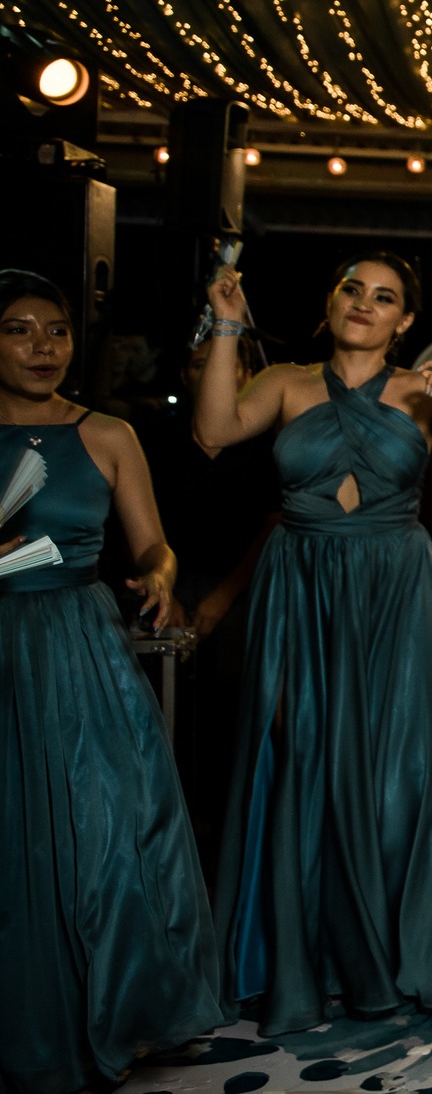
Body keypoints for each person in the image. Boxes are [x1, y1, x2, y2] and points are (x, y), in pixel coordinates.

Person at [196, 252, 432, 1035]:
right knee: (303, 759)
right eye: (352, 289)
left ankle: (396, 945)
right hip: (301, 586)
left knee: (396, 762)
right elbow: (210, 432)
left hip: (394, 590)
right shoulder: (284, 383)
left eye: (385, 298)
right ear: (332, 299)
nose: (364, 305)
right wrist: (228, 326)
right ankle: (309, 954)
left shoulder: (421, 389)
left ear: (406, 320)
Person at [0, 269, 231, 1093]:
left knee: (104, 830)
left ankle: (120, 1006)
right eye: (19, 329)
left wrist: (162, 575)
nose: (41, 347)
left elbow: (153, 545)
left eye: (55, 330)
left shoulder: (107, 433)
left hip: (78, 643)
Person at [143, 336, 281, 870]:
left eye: (223, 363)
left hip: (243, 585)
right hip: (169, 584)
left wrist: (224, 596)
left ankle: (232, 831)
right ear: (185, 372)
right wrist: (168, 590)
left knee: (234, 697)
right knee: (166, 706)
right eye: (199, 363)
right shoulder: (157, 436)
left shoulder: (265, 440)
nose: (211, 372)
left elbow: (272, 523)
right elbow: (143, 522)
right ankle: (172, 827)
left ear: (246, 374)